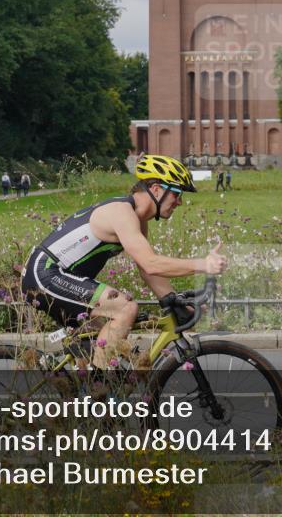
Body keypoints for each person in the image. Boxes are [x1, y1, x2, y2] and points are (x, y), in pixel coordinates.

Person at [21, 154, 227, 369]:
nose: (180, 201)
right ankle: (100, 389)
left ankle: (81, 390)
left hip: (57, 277)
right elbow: (151, 263)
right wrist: (203, 265)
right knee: (125, 309)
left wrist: (171, 300)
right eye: (176, 193)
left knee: (101, 341)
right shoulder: (122, 212)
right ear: (156, 189)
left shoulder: (137, 218)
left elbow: (147, 270)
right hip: (45, 274)